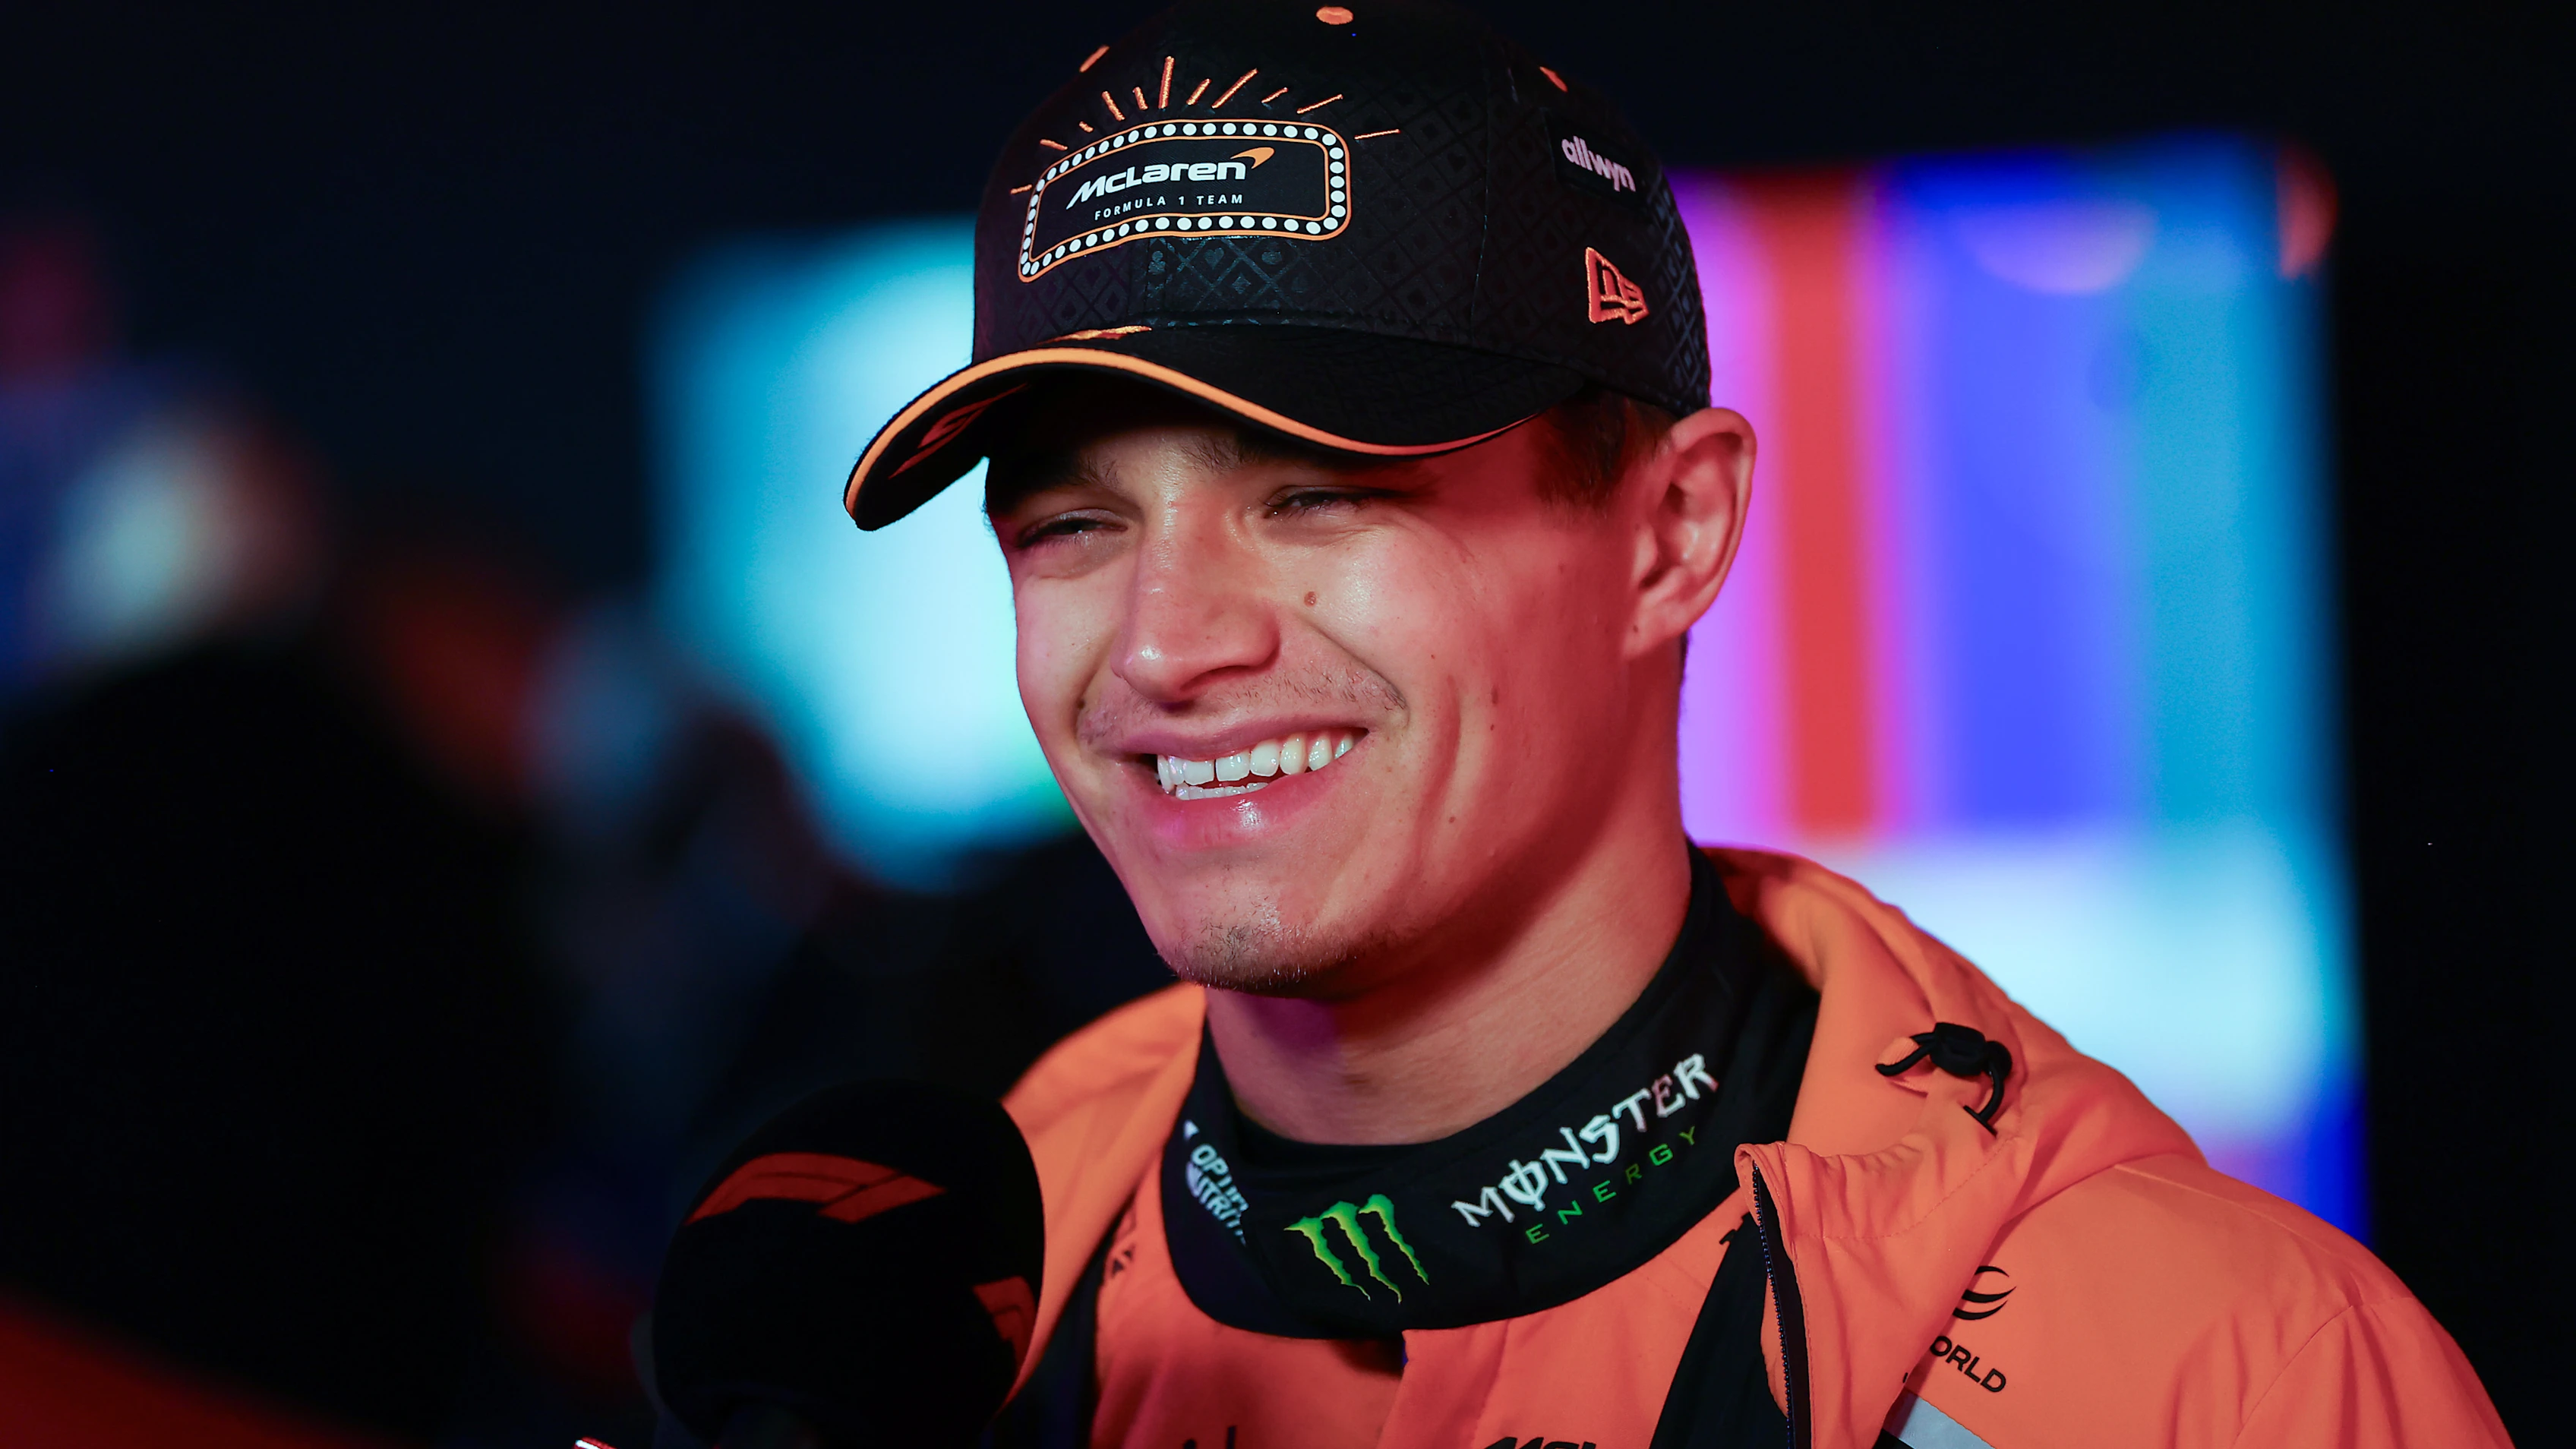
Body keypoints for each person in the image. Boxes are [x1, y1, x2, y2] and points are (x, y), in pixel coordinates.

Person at [835, 2, 2508, 1444]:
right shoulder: (929, 1302)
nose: (1161, 644)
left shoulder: (2222, 1379)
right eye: (1069, 525)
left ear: (1673, 535)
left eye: (1320, 494)